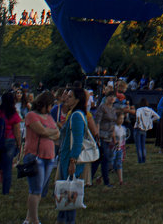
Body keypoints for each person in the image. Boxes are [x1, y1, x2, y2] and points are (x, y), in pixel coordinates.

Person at [23, 91, 60, 224]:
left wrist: (48, 133)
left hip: (49, 156)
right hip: (35, 156)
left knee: (40, 189)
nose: (51, 107)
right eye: (51, 105)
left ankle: (29, 218)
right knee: (35, 190)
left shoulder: (49, 117)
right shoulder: (31, 115)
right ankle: (35, 220)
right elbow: (41, 131)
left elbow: (57, 133)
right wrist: (49, 133)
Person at [56, 88, 89, 224]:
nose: (66, 99)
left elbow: (77, 141)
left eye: (70, 97)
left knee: (69, 193)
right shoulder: (73, 114)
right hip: (66, 157)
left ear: (77, 100)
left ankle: (68, 221)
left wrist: (72, 161)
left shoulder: (76, 116)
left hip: (70, 159)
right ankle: (62, 219)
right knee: (65, 191)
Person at [133, 97, 157, 164]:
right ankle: (144, 159)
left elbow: (137, 117)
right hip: (144, 128)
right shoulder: (149, 110)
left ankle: (140, 160)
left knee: (138, 145)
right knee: (143, 145)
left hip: (138, 128)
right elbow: (157, 116)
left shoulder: (139, 110)